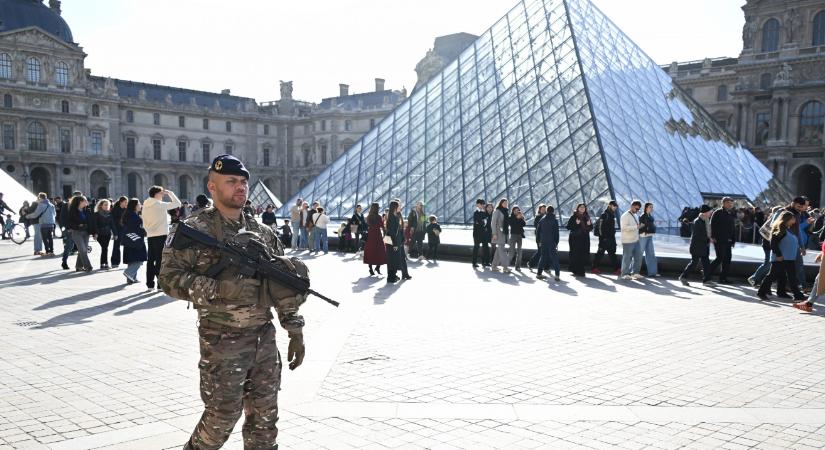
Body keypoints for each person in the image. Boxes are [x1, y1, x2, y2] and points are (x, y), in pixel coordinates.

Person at [160, 154, 308, 450]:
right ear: (212, 187)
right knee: (221, 417)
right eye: (231, 182)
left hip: (264, 341)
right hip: (221, 341)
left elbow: (280, 285)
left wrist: (295, 330)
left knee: (265, 420)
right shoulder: (193, 230)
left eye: (243, 182)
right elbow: (168, 279)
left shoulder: (263, 233)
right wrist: (221, 289)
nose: (240, 187)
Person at [757, 211, 805, 301]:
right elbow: (773, 243)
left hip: (789, 258)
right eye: (793, 219)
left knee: (790, 277)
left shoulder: (788, 229)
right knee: (772, 275)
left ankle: (791, 294)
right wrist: (778, 254)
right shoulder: (780, 229)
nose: (794, 220)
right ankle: (761, 292)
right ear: (787, 219)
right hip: (780, 258)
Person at [142, 186, 181, 290]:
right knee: (160, 260)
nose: (163, 195)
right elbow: (178, 203)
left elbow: (144, 221)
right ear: (156, 194)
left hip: (150, 235)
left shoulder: (145, 205)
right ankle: (160, 284)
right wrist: (170, 193)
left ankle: (150, 284)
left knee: (150, 260)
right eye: (161, 193)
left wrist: (148, 230)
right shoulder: (159, 204)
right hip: (161, 235)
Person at [749, 206, 783, 287]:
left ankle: (758, 280)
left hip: (768, 244)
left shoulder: (771, 218)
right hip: (768, 244)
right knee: (768, 263)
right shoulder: (773, 220)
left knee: (768, 263)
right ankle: (754, 278)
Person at [679, 205, 713, 286]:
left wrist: (708, 239)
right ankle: (683, 277)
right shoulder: (698, 221)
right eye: (709, 212)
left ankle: (706, 280)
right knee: (694, 263)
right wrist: (708, 239)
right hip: (697, 246)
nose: (711, 213)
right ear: (705, 212)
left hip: (704, 245)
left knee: (706, 263)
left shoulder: (705, 220)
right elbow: (697, 235)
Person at [708, 197, 736, 284]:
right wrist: (712, 237)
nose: (730, 204)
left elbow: (732, 228)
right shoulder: (717, 212)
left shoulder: (730, 213)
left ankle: (723, 278)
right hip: (719, 240)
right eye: (728, 202)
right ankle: (706, 271)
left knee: (727, 259)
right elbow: (712, 225)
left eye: (731, 202)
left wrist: (733, 240)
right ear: (723, 203)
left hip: (728, 240)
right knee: (720, 257)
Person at [120, 198, 146, 284]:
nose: (140, 205)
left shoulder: (129, 214)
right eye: (139, 204)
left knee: (132, 259)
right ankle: (129, 273)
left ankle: (131, 278)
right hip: (135, 239)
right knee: (140, 258)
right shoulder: (133, 215)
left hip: (129, 239)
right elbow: (134, 228)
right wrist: (143, 229)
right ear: (134, 206)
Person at [385, 199, 411, 282]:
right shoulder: (392, 218)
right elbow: (393, 232)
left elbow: (399, 230)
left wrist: (402, 239)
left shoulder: (395, 216)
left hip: (396, 241)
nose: (400, 207)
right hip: (393, 242)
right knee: (392, 259)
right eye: (399, 206)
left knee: (394, 259)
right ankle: (391, 277)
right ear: (395, 207)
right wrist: (395, 244)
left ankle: (393, 276)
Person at [592, 200, 621, 275]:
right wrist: (603, 238)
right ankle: (594, 268)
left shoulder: (611, 214)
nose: (615, 207)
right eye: (614, 206)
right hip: (604, 238)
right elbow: (600, 227)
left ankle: (616, 269)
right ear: (610, 205)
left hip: (610, 238)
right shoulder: (605, 214)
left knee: (612, 253)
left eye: (616, 206)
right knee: (600, 253)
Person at [66, 195, 93, 272]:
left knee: (82, 250)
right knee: (83, 250)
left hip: (86, 232)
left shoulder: (87, 210)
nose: (87, 202)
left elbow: (91, 221)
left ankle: (78, 266)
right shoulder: (72, 210)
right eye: (85, 200)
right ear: (80, 202)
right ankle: (88, 266)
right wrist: (78, 226)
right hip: (77, 232)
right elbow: (69, 222)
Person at [566, 203, 592, 277]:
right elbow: (568, 227)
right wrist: (576, 224)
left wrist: (589, 224)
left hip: (584, 239)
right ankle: (578, 270)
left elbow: (591, 228)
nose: (582, 208)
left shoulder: (587, 217)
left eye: (583, 207)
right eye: (581, 207)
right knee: (576, 254)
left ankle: (579, 269)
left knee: (583, 254)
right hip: (575, 239)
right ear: (577, 208)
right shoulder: (574, 217)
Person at [620, 200, 644, 280]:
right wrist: (636, 227)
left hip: (635, 239)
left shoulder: (635, 215)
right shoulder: (625, 216)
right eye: (636, 209)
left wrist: (638, 227)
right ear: (632, 206)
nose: (637, 211)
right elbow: (624, 228)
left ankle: (635, 273)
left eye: (638, 209)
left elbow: (635, 226)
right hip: (627, 240)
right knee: (627, 257)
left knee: (638, 257)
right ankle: (625, 273)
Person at [536, 205, 561, 281]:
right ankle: (557, 275)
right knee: (554, 258)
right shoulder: (555, 220)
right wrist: (556, 242)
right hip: (551, 241)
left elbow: (538, 231)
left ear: (546, 211)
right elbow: (556, 233)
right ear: (553, 211)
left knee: (543, 257)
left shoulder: (542, 219)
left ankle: (539, 273)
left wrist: (538, 241)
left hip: (543, 241)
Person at [363, 203, 387, 276]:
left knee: (371, 251)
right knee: (380, 251)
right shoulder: (379, 217)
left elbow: (366, 226)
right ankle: (377, 267)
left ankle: (370, 268)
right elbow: (382, 226)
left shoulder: (368, 217)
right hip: (377, 235)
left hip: (370, 236)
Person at [60, 191, 82, 270]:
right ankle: (64, 262)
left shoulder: (82, 205)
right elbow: (63, 218)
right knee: (69, 246)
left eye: (80, 197)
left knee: (81, 248)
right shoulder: (66, 205)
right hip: (70, 229)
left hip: (80, 229)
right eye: (77, 197)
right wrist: (66, 228)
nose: (78, 199)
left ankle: (79, 265)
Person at [638, 202, 659, 277]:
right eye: (650, 207)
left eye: (652, 207)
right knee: (639, 254)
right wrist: (643, 232)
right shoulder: (642, 216)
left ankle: (652, 272)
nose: (652, 208)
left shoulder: (650, 215)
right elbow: (640, 227)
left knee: (651, 253)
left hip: (649, 236)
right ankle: (634, 271)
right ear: (646, 207)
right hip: (643, 236)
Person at [490, 198, 510, 273]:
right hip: (498, 233)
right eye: (504, 203)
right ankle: (505, 267)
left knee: (499, 250)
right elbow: (493, 223)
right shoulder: (497, 211)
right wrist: (494, 233)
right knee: (502, 249)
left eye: (506, 203)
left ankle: (494, 266)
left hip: (504, 233)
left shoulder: (506, 212)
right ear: (501, 203)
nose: (506, 204)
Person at [93, 199, 114, 269]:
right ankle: (104, 263)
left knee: (105, 248)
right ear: (101, 205)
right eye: (105, 205)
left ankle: (103, 263)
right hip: (100, 234)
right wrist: (95, 233)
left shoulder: (110, 214)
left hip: (107, 233)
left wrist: (115, 234)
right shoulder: (96, 214)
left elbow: (112, 225)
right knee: (104, 248)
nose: (107, 206)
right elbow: (95, 225)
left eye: (108, 205)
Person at [472, 199, 490, 268]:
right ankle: (474, 262)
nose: (483, 205)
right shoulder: (476, 212)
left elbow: (484, 221)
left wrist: (482, 221)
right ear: (477, 204)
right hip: (477, 233)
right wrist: (483, 221)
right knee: (476, 247)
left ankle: (485, 262)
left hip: (484, 233)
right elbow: (479, 222)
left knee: (485, 247)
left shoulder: (485, 212)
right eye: (481, 204)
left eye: (483, 204)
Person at [110, 196, 127, 268]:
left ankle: (128, 261)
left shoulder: (126, 209)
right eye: (125, 202)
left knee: (127, 246)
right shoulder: (115, 209)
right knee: (116, 246)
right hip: (118, 229)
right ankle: (115, 262)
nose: (126, 203)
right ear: (121, 202)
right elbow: (113, 222)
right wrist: (114, 233)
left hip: (125, 230)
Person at [527, 204, 546, 269]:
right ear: (539, 210)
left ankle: (543, 266)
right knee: (540, 251)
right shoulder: (538, 217)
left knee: (543, 251)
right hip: (540, 237)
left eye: (544, 209)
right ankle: (531, 263)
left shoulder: (546, 217)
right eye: (542, 209)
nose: (543, 210)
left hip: (545, 237)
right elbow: (536, 226)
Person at [508, 206, 526, 270]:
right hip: (513, 235)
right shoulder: (510, 217)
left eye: (518, 210)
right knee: (511, 252)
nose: (516, 212)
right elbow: (512, 224)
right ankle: (506, 265)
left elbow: (524, 224)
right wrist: (517, 218)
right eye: (515, 210)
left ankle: (518, 266)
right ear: (513, 211)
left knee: (520, 252)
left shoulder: (520, 217)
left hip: (519, 236)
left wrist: (521, 218)